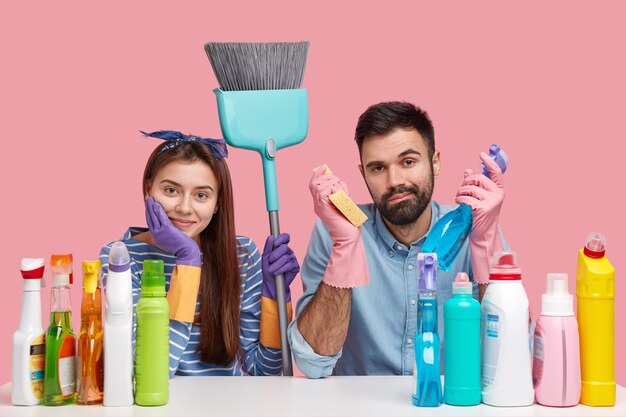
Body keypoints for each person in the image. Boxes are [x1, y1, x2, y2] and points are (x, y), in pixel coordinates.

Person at [288, 101, 506, 378]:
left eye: (408, 162)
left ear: (435, 162)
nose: (394, 181)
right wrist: (345, 247)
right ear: (363, 174)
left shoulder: (475, 229)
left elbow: (513, 352)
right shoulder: (334, 232)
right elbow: (312, 363)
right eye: (378, 168)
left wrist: (486, 247)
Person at [100, 130, 300, 377]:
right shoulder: (120, 259)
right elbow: (149, 375)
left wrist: (275, 297)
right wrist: (188, 259)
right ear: (147, 188)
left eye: (201, 195)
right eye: (171, 191)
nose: (184, 207)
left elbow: (264, 372)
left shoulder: (242, 255)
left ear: (217, 203)